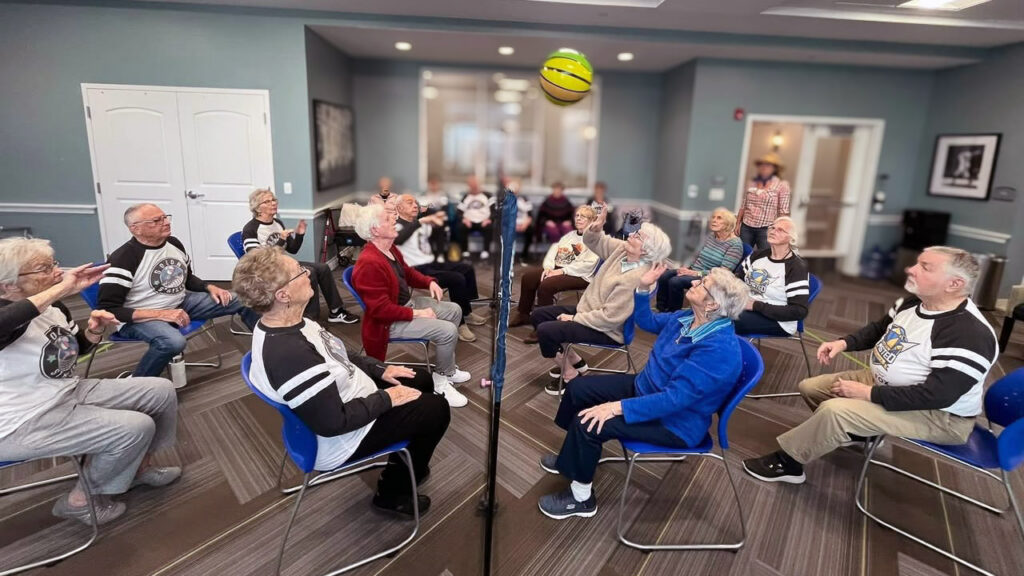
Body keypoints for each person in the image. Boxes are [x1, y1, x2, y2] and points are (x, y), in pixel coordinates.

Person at [743, 247, 998, 485]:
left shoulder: (969, 334)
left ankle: (789, 463)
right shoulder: (913, 302)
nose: (911, 269)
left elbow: (937, 395)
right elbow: (879, 329)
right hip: (889, 385)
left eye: (925, 267)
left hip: (941, 416)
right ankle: (860, 433)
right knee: (811, 387)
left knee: (835, 411)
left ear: (955, 284)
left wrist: (867, 394)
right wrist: (843, 343)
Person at [234, 248, 450, 517]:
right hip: (340, 436)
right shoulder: (290, 355)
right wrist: (388, 398)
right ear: (283, 295)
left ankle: (411, 461)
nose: (309, 273)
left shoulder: (293, 322)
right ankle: (392, 495)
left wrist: (379, 369)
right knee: (437, 409)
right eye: (300, 272)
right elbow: (333, 423)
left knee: (421, 379)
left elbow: (337, 353)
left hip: (347, 399)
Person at [536, 266, 749, 519]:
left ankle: (581, 500)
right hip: (647, 388)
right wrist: (643, 288)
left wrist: (616, 407)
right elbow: (646, 321)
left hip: (674, 422)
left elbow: (673, 400)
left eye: (703, 285)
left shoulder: (718, 350)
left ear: (713, 305)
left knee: (588, 421)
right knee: (579, 389)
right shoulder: (688, 318)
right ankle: (572, 456)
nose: (694, 284)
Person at [0, 238, 179, 525]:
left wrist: (93, 334)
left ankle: (136, 469)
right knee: (135, 427)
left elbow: (75, 351)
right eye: (43, 269)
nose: (58, 272)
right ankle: (81, 499)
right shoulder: (7, 316)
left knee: (160, 391)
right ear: (8, 285)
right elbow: (9, 320)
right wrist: (63, 287)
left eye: (53, 264)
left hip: (66, 391)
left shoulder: (55, 307)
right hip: (19, 420)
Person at [98, 204, 259, 378]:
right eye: (156, 220)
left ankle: (264, 351)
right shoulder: (123, 258)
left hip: (180, 303)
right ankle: (137, 383)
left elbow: (187, 278)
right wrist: (161, 314)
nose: (166, 222)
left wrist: (209, 287)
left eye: (165, 217)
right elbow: (108, 309)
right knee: (173, 342)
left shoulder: (173, 243)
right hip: (139, 318)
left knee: (246, 299)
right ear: (135, 229)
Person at [529, 208, 671, 395]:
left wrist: (574, 319)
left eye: (638, 236)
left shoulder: (636, 277)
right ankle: (575, 360)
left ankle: (570, 374)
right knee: (539, 315)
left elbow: (610, 318)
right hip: (590, 311)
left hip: (608, 329)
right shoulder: (623, 251)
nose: (632, 233)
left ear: (645, 250)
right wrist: (596, 227)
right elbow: (595, 241)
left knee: (546, 331)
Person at [351, 204, 471, 408]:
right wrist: (418, 313)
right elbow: (380, 311)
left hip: (405, 305)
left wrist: (429, 282)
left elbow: (408, 273)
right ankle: (440, 382)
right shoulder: (369, 263)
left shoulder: (389, 248)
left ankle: (447, 369)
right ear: (375, 230)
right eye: (388, 219)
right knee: (448, 331)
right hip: (388, 322)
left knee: (455, 310)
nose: (394, 220)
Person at [241, 188, 358, 323]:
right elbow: (257, 260)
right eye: (267, 201)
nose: (273, 203)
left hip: (282, 264)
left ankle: (336, 311)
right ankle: (310, 319)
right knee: (310, 272)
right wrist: (281, 240)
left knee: (323, 268)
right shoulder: (250, 229)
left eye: (273, 200)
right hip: (267, 271)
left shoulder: (277, 223)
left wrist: (300, 234)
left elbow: (293, 249)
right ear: (257, 208)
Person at [394, 194, 488, 343]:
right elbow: (399, 238)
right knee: (456, 279)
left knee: (466, 268)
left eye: (415, 203)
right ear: (399, 208)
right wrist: (421, 222)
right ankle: (460, 323)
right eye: (409, 203)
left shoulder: (418, 223)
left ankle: (466, 311)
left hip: (431, 262)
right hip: (415, 270)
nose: (415, 205)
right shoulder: (396, 225)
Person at [509, 205, 600, 327]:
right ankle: (523, 314)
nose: (578, 219)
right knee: (528, 278)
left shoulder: (594, 240)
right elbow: (554, 250)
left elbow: (587, 266)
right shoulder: (570, 235)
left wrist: (561, 271)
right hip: (558, 269)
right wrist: (548, 268)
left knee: (546, 285)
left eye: (583, 216)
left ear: (592, 220)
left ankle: (544, 324)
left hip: (580, 275)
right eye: (577, 215)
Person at [655, 207, 744, 312]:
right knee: (665, 275)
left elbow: (722, 272)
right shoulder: (711, 236)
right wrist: (686, 266)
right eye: (713, 217)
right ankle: (661, 308)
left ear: (728, 223)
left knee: (675, 282)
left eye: (719, 218)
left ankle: (673, 313)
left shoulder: (735, 245)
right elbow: (696, 254)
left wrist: (694, 273)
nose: (714, 220)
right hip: (693, 270)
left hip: (710, 278)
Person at [733, 216, 809, 337]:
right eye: (772, 227)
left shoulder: (796, 267)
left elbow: (799, 311)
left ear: (791, 238)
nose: (773, 231)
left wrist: (755, 305)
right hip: (745, 306)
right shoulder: (758, 255)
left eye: (780, 230)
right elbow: (738, 278)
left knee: (723, 322)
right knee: (709, 308)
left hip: (778, 320)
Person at [736, 152, 791, 251]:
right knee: (742, 254)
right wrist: (737, 224)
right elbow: (743, 205)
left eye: (768, 165)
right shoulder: (751, 183)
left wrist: (782, 229)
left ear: (774, 168)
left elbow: (783, 210)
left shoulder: (782, 185)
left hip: (766, 228)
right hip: (746, 226)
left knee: (765, 254)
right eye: (761, 164)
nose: (764, 167)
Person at [455, 175, 495, 260]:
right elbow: (458, 212)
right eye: (472, 185)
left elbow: (494, 211)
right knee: (461, 227)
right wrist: (464, 219)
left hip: (484, 221)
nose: (474, 187)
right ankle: (465, 252)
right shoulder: (465, 197)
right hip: (469, 221)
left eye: (475, 185)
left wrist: (489, 219)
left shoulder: (488, 196)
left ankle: (486, 251)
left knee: (489, 227)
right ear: (469, 186)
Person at [418, 174, 450, 263]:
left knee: (440, 229)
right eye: (432, 184)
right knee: (426, 228)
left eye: (435, 184)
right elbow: (423, 209)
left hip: (440, 219)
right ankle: (429, 253)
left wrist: (435, 217)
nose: (433, 186)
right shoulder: (424, 195)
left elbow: (444, 210)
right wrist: (431, 217)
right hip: (428, 220)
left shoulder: (442, 195)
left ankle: (440, 254)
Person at [508, 179, 535, 261]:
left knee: (531, 231)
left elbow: (530, 216)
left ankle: (524, 255)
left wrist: (525, 225)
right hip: (511, 224)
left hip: (523, 223)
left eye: (516, 187)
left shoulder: (525, 200)